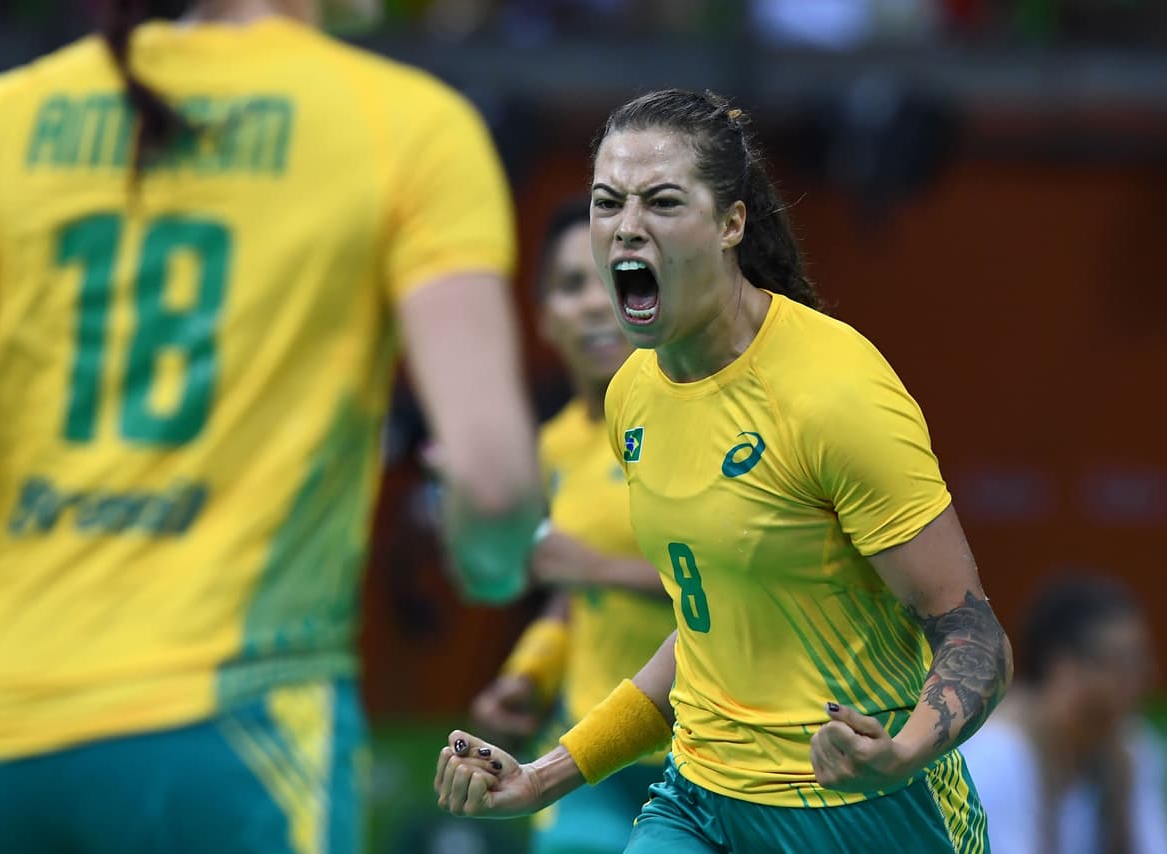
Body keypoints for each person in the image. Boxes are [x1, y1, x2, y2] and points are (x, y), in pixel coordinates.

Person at [0, 0, 545, 851]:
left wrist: (56, 500)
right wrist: (491, 570)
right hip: (235, 732)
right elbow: (494, 483)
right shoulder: (404, 124)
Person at [434, 88, 1013, 853]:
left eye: (663, 202)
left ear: (731, 223)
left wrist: (898, 753)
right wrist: (543, 776)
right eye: (607, 203)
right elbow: (703, 632)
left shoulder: (834, 392)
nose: (627, 227)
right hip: (699, 799)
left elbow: (974, 634)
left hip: (862, 814)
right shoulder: (633, 397)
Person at [469, 197, 675, 854]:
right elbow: (571, 603)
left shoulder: (705, 427)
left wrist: (598, 568)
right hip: (586, 752)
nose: (593, 302)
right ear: (544, 322)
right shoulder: (551, 449)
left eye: (612, 278)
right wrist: (524, 676)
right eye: (570, 286)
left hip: (708, 757)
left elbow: (750, 589)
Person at [961, 575, 1167, 854]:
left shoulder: (1132, 748)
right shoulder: (997, 755)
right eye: (1120, 664)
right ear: (1062, 668)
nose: (1141, 680)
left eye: (1140, 663)